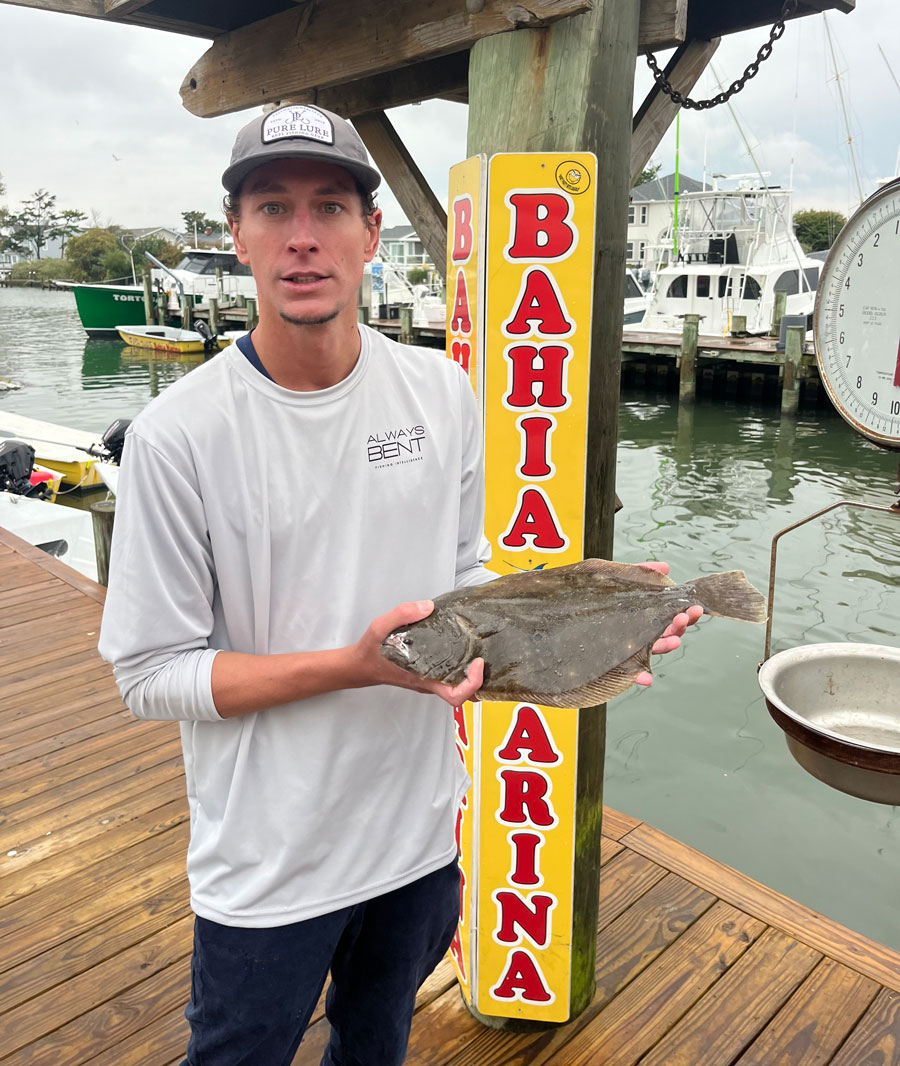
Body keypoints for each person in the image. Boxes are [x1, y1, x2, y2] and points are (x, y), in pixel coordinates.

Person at [98, 105, 700, 1066]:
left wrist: (602, 611)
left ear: (370, 234)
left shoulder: (439, 391)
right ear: (236, 234)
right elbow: (151, 675)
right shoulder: (181, 436)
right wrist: (351, 666)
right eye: (274, 207)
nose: (303, 236)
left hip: (419, 838)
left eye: (331, 207)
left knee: (375, 1047)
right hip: (268, 863)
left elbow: (458, 579)